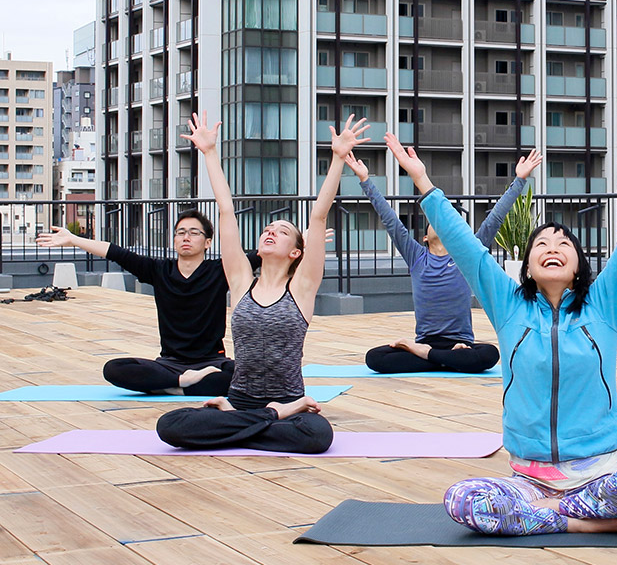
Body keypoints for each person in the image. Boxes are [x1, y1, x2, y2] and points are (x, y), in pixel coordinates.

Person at [391, 113, 617, 535]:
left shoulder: (602, 304)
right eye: (542, 244)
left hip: (598, 476)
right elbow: (467, 247)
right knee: (461, 501)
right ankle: (575, 521)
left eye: (562, 244)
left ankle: (556, 516)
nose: (552, 247)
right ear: (529, 266)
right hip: (528, 481)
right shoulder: (509, 306)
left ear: (578, 266)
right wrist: (424, 183)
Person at [155, 112, 368, 453]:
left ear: (296, 252)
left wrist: (338, 159)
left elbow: (318, 215)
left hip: (288, 401)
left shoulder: (302, 288)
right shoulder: (240, 282)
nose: (270, 231)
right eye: (268, 229)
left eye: (282, 232)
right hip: (245, 401)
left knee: (318, 435)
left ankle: (241, 426)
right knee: (169, 425)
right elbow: (226, 211)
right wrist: (209, 153)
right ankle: (267, 420)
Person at [339, 147, 543, 374]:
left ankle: (429, 357)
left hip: (460, 343)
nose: (441, 223)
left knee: (490, 354)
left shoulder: (467, 256)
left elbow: (495, 219)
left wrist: (520, 179)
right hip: (426, 341)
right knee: (375, 358)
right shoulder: (416, 256)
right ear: (424, 236)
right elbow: (390, 220)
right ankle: (444, 359)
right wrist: (365, 180)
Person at [36, 210, 261, 396]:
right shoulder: (159, 270)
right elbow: (117, 253)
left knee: (252, 375)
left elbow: (264, 255)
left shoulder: (222, 271)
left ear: (207, 242)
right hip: (170, 364)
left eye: (194, 233)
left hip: (212, 364)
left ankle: (173, 388)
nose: (186, 237)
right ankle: (182, 381)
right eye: (180, 233)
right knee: (114, 369)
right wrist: (73, 239)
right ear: (174, 239)